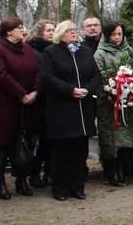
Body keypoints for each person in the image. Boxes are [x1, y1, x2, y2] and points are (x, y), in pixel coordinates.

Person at [41, 20, 101, 201]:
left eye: (75, 30)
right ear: (61, 34)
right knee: (62, 152)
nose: (73, 33)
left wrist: (88, 89)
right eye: (69, 30)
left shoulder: (85, 52)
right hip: (62, 109)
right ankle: (60, 188)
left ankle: (78, 187)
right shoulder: (51, 52)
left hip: (83, 109)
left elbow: (96, 75)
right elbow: (47, 77)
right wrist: (70, 90)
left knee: (79, 152)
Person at [0, 17, 41, 200]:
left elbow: (37, 70)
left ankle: (21, 180)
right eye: (19, 27)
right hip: (6, 104)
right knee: (4, 143)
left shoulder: (26, 48)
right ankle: (0, 181)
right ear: (8, 31)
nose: (23, 30)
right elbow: (1, 75)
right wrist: (21, 94)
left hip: (28, 103)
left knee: (24, 141)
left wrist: (34, 91)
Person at [95, 21, 133, 186]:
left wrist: (132, 84)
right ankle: (112, 173)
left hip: (127, 103)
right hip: (109, 103)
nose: (117, 37)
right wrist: (114, 82)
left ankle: (122, 171)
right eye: (113, 34)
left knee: (126, 140)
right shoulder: (100, 54)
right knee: (111, 140)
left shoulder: (129, 51)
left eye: (119, 34)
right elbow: (98, 74)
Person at [25, 19, 55, 189]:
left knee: (50, 140)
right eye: (48, 30)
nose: (51, 32)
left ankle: (50, 173)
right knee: (38, 139)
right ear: (39, 31)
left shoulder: (55, 49)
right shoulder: (30, 49)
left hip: (52, 100)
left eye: (53, 30)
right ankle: (34, 173)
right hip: (38, 99)